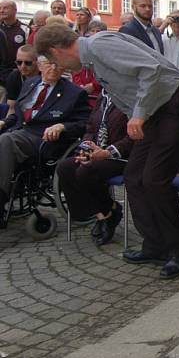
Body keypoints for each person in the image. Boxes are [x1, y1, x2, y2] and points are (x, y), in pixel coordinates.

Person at [35, 24, 179, 279]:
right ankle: (155, 244)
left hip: (173, 105)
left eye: (54, 60)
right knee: (134, 177)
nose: (61, 68)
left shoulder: (100, 45)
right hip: (156, 111)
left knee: (155, 180)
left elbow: (151, 70)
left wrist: (139, 114)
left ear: (56, 51)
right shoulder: (95, 56)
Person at [0, 55, 91, 213]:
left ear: (63, 68)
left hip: (45, 140)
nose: (54, 68)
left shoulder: (74, 93)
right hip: (20, 132)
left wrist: (62, 126)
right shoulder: (30, 84)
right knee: (6, 138)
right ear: (40, 66)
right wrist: (5, 122)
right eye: (49, 64)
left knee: (6, 140)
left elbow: (85, 123)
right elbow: (21, 114)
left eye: (57, 65)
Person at [56, 90, 131, 244]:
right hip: (97, 153)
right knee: (65, 167)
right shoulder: (103, 96)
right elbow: (90, 128)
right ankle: (105, 213)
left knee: (86, 172)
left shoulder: (129, 96)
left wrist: (106, 152)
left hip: (122, 156)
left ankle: (106, 214)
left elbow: (133, 137)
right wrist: (86, 148)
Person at [0, 0, 28, 100]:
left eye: (5, 8)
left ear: (15, 10)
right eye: (0, 8)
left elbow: (29, 50)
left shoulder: (24, 29)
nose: (2, 11)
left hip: (17, 74)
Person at [5, 45, 40, 116]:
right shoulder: (14, 77)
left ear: (37, 61)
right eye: (19, 62)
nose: (23, 66)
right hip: (21, 115)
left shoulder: (45, 75)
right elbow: (12, 108)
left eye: (28, 63)